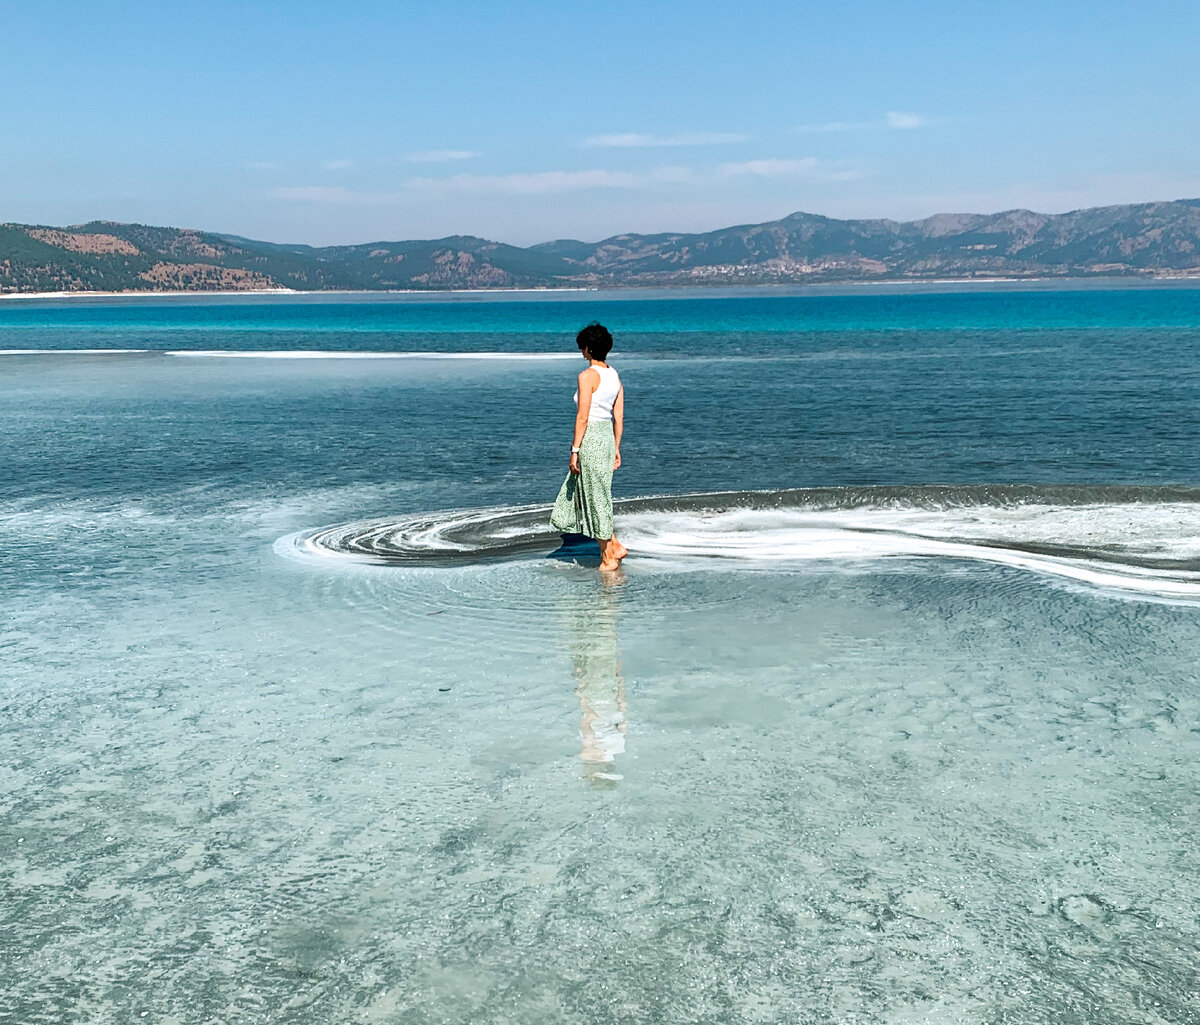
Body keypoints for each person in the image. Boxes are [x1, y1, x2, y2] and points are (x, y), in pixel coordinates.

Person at [550, 322, 628, 571]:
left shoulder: (587, 376)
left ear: (586, 349)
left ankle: (608, 557)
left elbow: (582, 416)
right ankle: (613, 544)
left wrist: (574, 450)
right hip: (606, 437)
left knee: (596, 497)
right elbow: (619, 417)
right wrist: (616, 447)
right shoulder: (614, 375)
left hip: (592, 438)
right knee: (596, 494)